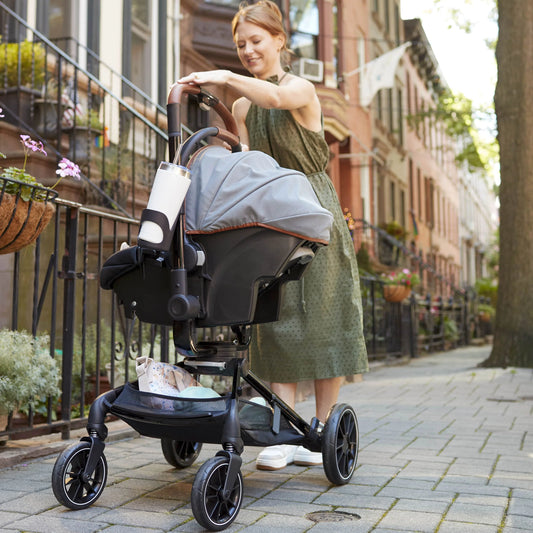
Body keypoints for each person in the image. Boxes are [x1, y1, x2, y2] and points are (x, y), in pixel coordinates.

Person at [178, 0, 368, 471]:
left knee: (325, 323)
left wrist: (219, 76)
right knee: (274, 322)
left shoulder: (300, 89)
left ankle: (319, 430)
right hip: (271, 216)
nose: (247, 50)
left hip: (314, 210)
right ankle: (285, 431)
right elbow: (244, 156)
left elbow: (275, 100)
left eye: (255, 41)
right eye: (240, 44)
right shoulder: (242, 103)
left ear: (280, 41)